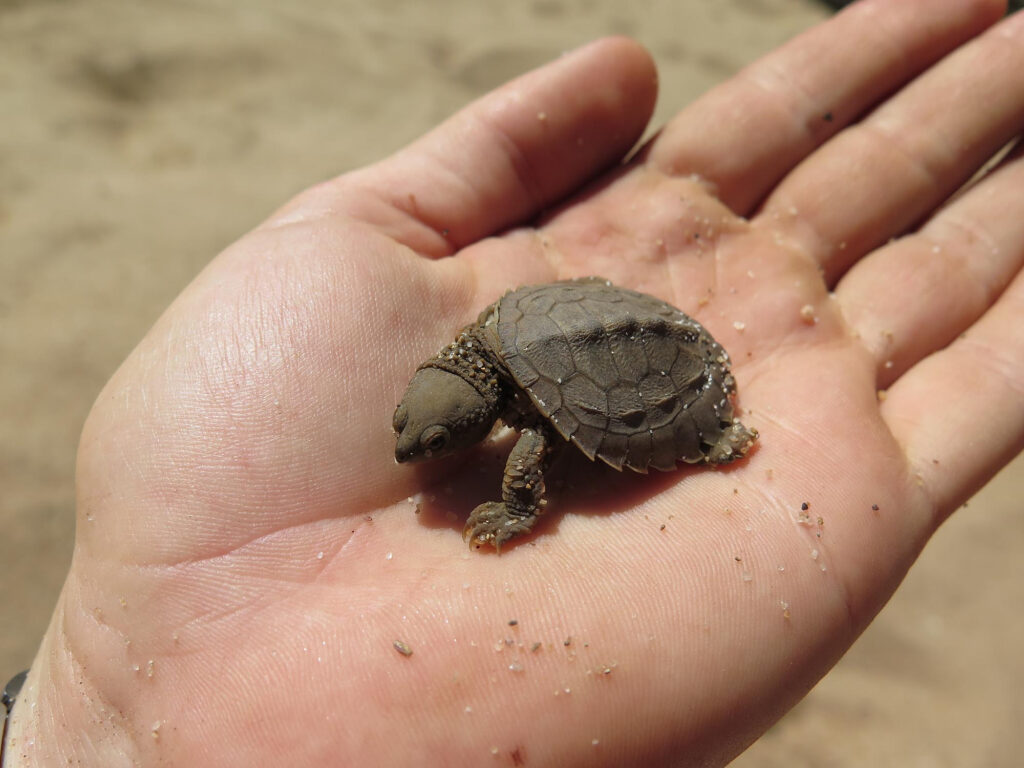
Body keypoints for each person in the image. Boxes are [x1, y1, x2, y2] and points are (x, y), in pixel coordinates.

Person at [5, 0, 1022, 765]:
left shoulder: (517, 407)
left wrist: (513, 507)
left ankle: (708, 436)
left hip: (649, 358)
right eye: (419, 436)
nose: (412, 454)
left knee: (683, 428)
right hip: (602, 326)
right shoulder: (487, 334)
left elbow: (530, 452)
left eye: (427, 441)